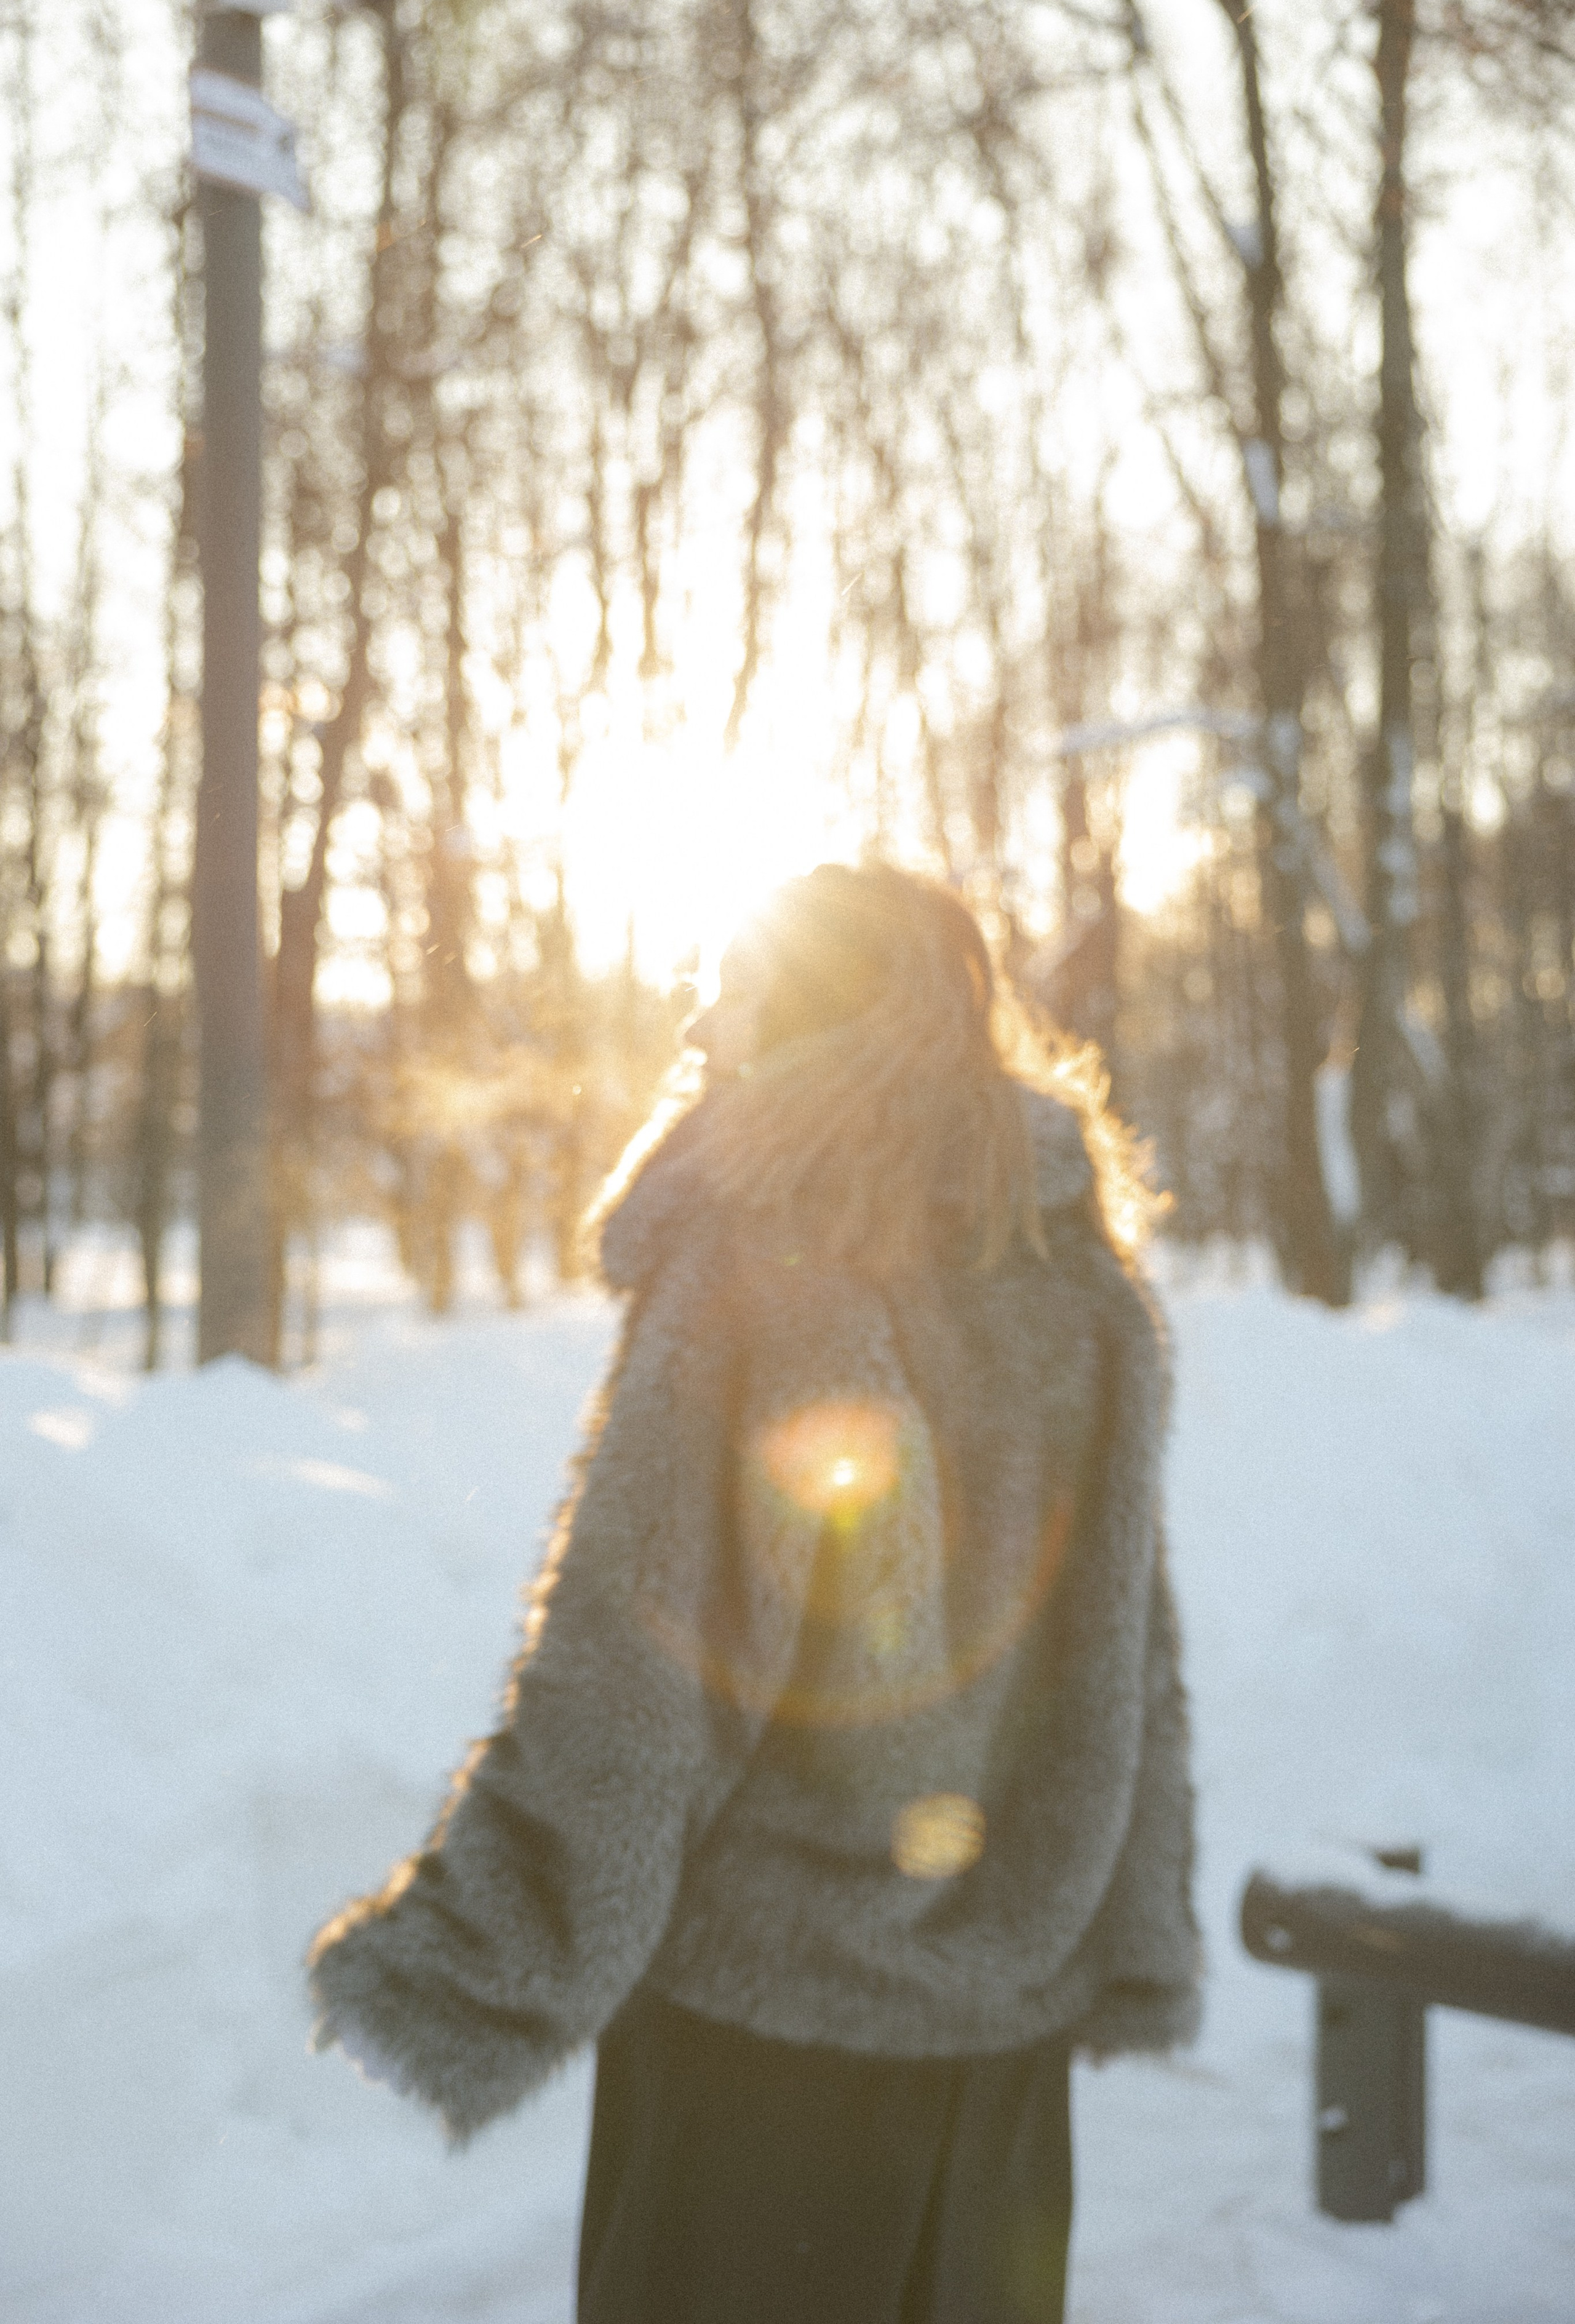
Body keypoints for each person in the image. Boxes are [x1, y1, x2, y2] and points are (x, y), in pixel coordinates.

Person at [307, 861, 1200, 2324]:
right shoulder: (1074, 1277)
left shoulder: (764, 1264)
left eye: (736, 984)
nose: (705, 1019)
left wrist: (472, 1962)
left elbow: (641, 1664)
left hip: (763, 2055)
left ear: (813, 1010)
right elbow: (1117, 1656)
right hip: (1000, 2051)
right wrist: (1126, 1929)